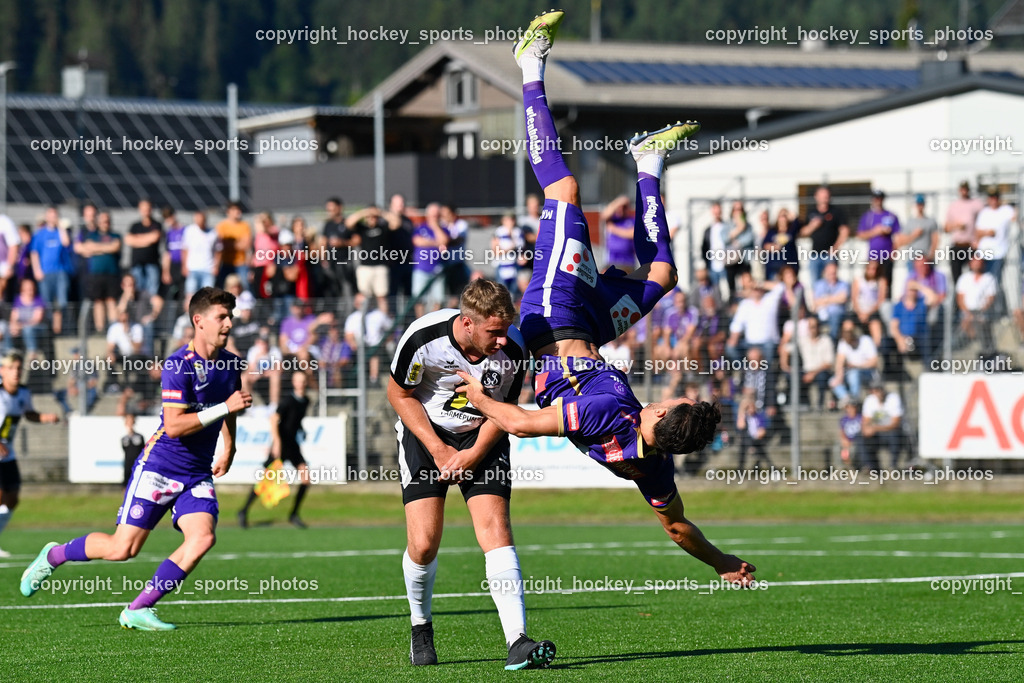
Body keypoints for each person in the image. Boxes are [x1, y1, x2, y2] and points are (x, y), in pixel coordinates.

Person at [459, 8, 756, 601]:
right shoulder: (655, 465)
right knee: (664, 275)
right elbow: (675, 527)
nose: (665, 395)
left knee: (563, 191)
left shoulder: (602, 418)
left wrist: (475, 395)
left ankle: (529, 67)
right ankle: (647, 163)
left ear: (653, 420)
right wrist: (721, 561)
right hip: (592, 325)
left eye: (668, 402)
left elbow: (518, 424)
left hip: (556, 314)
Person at [20, 287, 253, 630]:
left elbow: (229, 405)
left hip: (197, 473)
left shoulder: (232, 364)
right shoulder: (178, 365)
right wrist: (224, 409)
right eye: (222, 316)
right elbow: (174, 426)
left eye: (231, 316)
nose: (229, 323)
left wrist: (228, 445)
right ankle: (53, 555)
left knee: (203, 537)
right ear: (198, 321)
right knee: (121, 549)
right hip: (160, 467)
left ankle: (139, 608)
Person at [387, 279, 554, 669]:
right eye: (493, 332)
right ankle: (420, 627)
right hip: (427, 436)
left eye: (504, 331)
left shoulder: (513, 348)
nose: (501, 340)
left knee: (496, 532)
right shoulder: (423, 337)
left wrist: (474, 453)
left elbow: (506, 411)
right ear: (466, 323)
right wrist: (439, 449)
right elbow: (399, 395)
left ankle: (517, 640)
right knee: (425, 543)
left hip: (484, 436)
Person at [0, 350, 61, 558]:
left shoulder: (23, 393)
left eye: (18, 368)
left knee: (12, 498)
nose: (16, 372)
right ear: (2, 371)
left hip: (7, 453)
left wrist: (44, 417)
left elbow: (29, 413)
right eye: (11, 368)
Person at [239, 370, 312, 528]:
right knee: (266, 481)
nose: (301, 384)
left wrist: (302, 430)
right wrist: (276, 443)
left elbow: (295, 421)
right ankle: (243, 510)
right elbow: (274, 420)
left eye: (303, 381)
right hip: (280, 445)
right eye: (298, 381)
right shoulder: (287, 401)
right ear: (294, 383)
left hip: (293, 446)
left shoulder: (306, 400)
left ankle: (293, 514)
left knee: (306, 479)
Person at [801, 186, 849, 284]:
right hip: (815, 254)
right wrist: (812, 226)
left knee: (831, 282)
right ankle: (818, 299)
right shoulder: (811, 212)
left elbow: (845, 231)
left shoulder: (836, 212)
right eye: (822, 195)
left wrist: (835, 248)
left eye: (826, 196)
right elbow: (803, 232)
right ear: (816, 197)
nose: (824, 198)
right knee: (815, 282)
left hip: (829, 254)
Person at [125, 198, 162, 297]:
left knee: (152, 291)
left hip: (152, 263)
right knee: (138, 290)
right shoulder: (135, 226)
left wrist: (137, 239)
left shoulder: (156, 225)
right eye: (143, 208)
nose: (146, 211)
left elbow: (155, 237)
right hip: (137, 263)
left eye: (147, 208)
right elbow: (128, 240)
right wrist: (147, 239)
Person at [215, 202, 252, 289]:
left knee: (245, 286)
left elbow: (246, 245)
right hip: (225, 262)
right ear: (228, 211)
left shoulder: (244, 225)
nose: (238, 212)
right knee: (223, 286)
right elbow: (221, 245)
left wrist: (230, 244)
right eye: (235, 210)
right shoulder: (222, 226)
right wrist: (238, 243)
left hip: (241, 263)